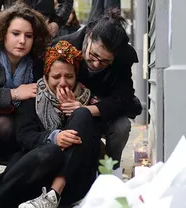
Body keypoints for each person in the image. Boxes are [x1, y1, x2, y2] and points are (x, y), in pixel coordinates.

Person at [0, 41, 102, 208]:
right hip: (37, 173)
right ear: (47, 75)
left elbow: (93, 140)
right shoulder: (33, 97)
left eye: (69, 76)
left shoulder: (88, 99)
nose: (63, 82)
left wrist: (75, 111)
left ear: (76, 76)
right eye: (56, 76)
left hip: (72, 182)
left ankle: (53, 194)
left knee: (82, 115)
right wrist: (54, 137)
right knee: (51, 150)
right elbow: (25, 137)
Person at [0, 3, 50, 204]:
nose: (22, 41)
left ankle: (3, 185)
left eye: (28, 36)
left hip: (8, 134)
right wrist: (14, 93)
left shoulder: (37, 62)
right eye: (15, 33)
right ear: (3, 33)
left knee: (5, 125)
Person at [50, 7, 142, 169]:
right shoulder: (63, 46)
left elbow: (123, 98)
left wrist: (85, 109)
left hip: (101, 110)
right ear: (89, 37)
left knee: (122, 126)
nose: (97, 64)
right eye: (93, 55)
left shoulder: (123, 57)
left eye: (106, 61)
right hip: (61, 111)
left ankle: (111, 169)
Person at [0, 0, 73, 37]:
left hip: (44, 32)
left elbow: (66, 1)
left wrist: (56, 23)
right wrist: (1, 30)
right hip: (14, 31)